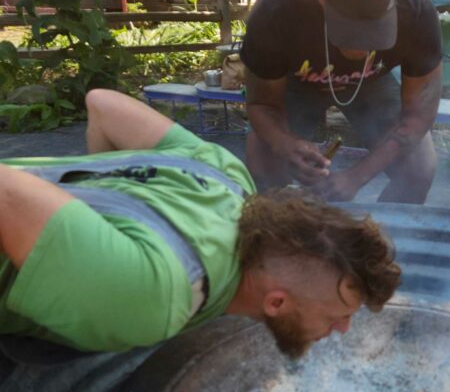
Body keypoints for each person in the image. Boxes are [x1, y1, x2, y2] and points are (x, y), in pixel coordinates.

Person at [0, 89, 401, 357]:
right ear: (276, 303)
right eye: (336, 316)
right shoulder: (153, 294)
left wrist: (107, 198)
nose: (345, 329)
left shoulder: (226, 178)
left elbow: (103, 105)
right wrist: (111, 282)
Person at [240, 0, 443, 204]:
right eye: (348, 29)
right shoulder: (278, 7)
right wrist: (287, 146)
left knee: (419, 167)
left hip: (372, 81)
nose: (360, 49)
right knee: (263, 161)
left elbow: (418, 118)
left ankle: (382, 239)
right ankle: (282, 237)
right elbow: (261, 104)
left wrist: (356, 176)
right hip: (296, 82)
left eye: (374, 29)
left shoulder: (417, 13)